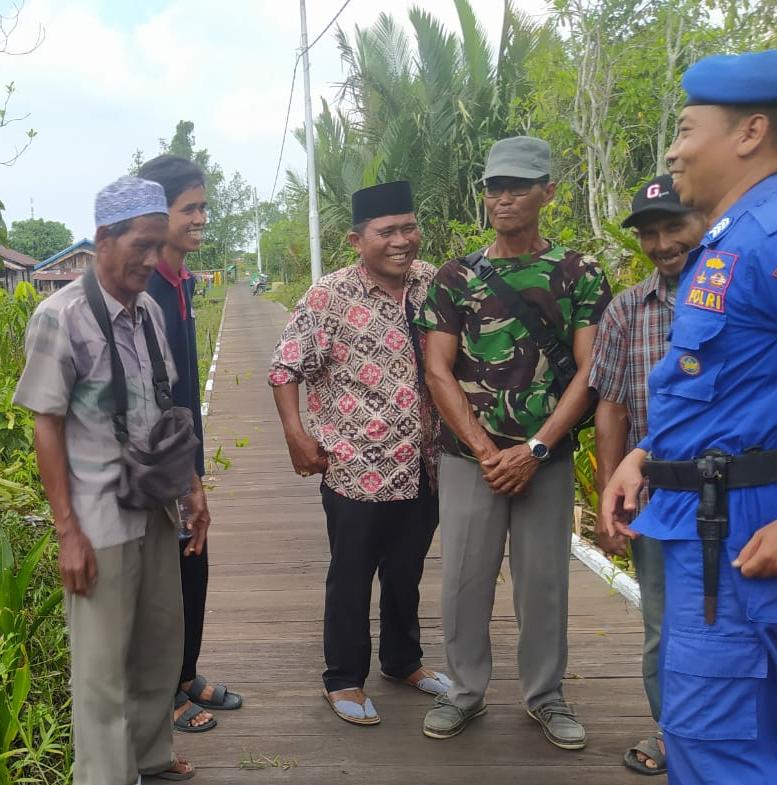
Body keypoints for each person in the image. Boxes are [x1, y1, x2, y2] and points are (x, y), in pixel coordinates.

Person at [601, 49, 777, 785]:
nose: (672, 149)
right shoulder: (728, 238)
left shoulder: (765, 238)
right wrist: (646, 456)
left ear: (748, 132)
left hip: (740, 531)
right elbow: (725, 388)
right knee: (709, 732)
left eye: (684, 128)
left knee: (716, 744)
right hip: (703, 517)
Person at [416, 136, 612, 746]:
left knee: (544, 582)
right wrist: (483, 449)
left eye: (518, 187)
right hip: (469, 459)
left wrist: (537, 449)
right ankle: (465, 691)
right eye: (493, 187)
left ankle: (546, 697)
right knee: (464, 581)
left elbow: (590, 371)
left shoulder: (578, 273)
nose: (502, 198)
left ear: (547, 193)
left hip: (544, 460)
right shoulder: (454, 277)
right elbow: (436, 370)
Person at [14, 175, 209, 785]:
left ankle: (150, 758)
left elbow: (163, 407)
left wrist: (192, 487)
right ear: (103, 238)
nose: (153, 260)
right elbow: (46, 427)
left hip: (153, 509)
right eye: (142, 246)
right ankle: (104, 775)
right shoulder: (60, 317)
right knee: (100, 669)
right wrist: (67, 532)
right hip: (97, 520)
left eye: (160, 246)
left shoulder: (149, 310)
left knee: (158, 644)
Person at [268, 181, 449, 726]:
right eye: (386, 231)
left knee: (407, 570)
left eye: (408, 227)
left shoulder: (433, 283)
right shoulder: (330, 295)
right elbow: (284, 367)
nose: (402, 241)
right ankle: (343, 679)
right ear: (356, 239)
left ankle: (403, 661)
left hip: (424, 462)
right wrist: (296, 435)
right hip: (356, 464)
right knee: (351, 572)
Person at [589, 174, 706, 775]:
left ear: (705, 222)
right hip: (655, 499)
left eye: (674, 227)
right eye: (650, 232)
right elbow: (610, 406)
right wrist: (612, 491)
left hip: (737, 492)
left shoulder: (742, 295)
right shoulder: (626, 309)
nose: (662, 243)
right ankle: (671, 734)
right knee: (663, 624)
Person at [140, 155, 243, 734]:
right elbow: (154, 399)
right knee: (165, 578)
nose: (202, 217)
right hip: (161, 465)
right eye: (190, 208)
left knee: (193, 567)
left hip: (186, 454)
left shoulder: (180, 280)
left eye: (204, 206)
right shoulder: (149, 285)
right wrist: (187, 481)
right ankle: (163, 694)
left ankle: (185, 673)